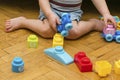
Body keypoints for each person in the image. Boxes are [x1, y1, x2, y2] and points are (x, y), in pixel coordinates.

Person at [5, 0, 116, 39]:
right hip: (51, 10)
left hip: (72, 13)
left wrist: (106, 13)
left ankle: (93, 24)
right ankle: (23, 21)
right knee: (47, 31)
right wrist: (49, 14)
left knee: (73, 33)